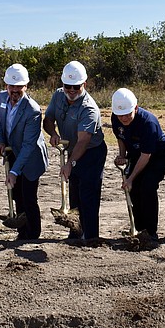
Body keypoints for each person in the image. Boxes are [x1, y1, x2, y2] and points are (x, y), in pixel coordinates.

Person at [43, 60, 107, 242]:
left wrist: (70, 163)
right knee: (75, 193)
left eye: (76, 87)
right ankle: (76, 233)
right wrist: (54, 133)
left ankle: (91, 236)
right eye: (67, 86)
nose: (71, 91)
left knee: (88, 193)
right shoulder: (58, 95)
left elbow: (83, 141)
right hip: (72, 149)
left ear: (84, 85)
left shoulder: (89, 108)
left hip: (91, 152)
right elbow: (47, 120)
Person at [0, 63, 48, 240]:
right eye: (12, 86)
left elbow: (28, 146)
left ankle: (33, 235)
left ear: (26, 86)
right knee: (17, 195)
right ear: (6, 86)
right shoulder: (1, 98)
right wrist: (1, 140)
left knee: (28, 196)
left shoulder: (32, 110)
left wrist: (15, 171)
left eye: (19, 86)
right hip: (13, 151)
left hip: (31, 157)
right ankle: (22, 231)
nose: (15, 90)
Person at [111, 88, 165, 241]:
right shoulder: (116, 117)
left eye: (127, 114)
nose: (123, 118)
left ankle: (151, 232)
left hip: (158, 156)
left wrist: (130, 178)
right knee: (133, 190)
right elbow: (121, 136)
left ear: (136, 108)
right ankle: (137, 228)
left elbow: (146, 156)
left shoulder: (148, 123)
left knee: (147, 185)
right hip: (136, 154)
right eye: (120, 115)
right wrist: (122, 155)